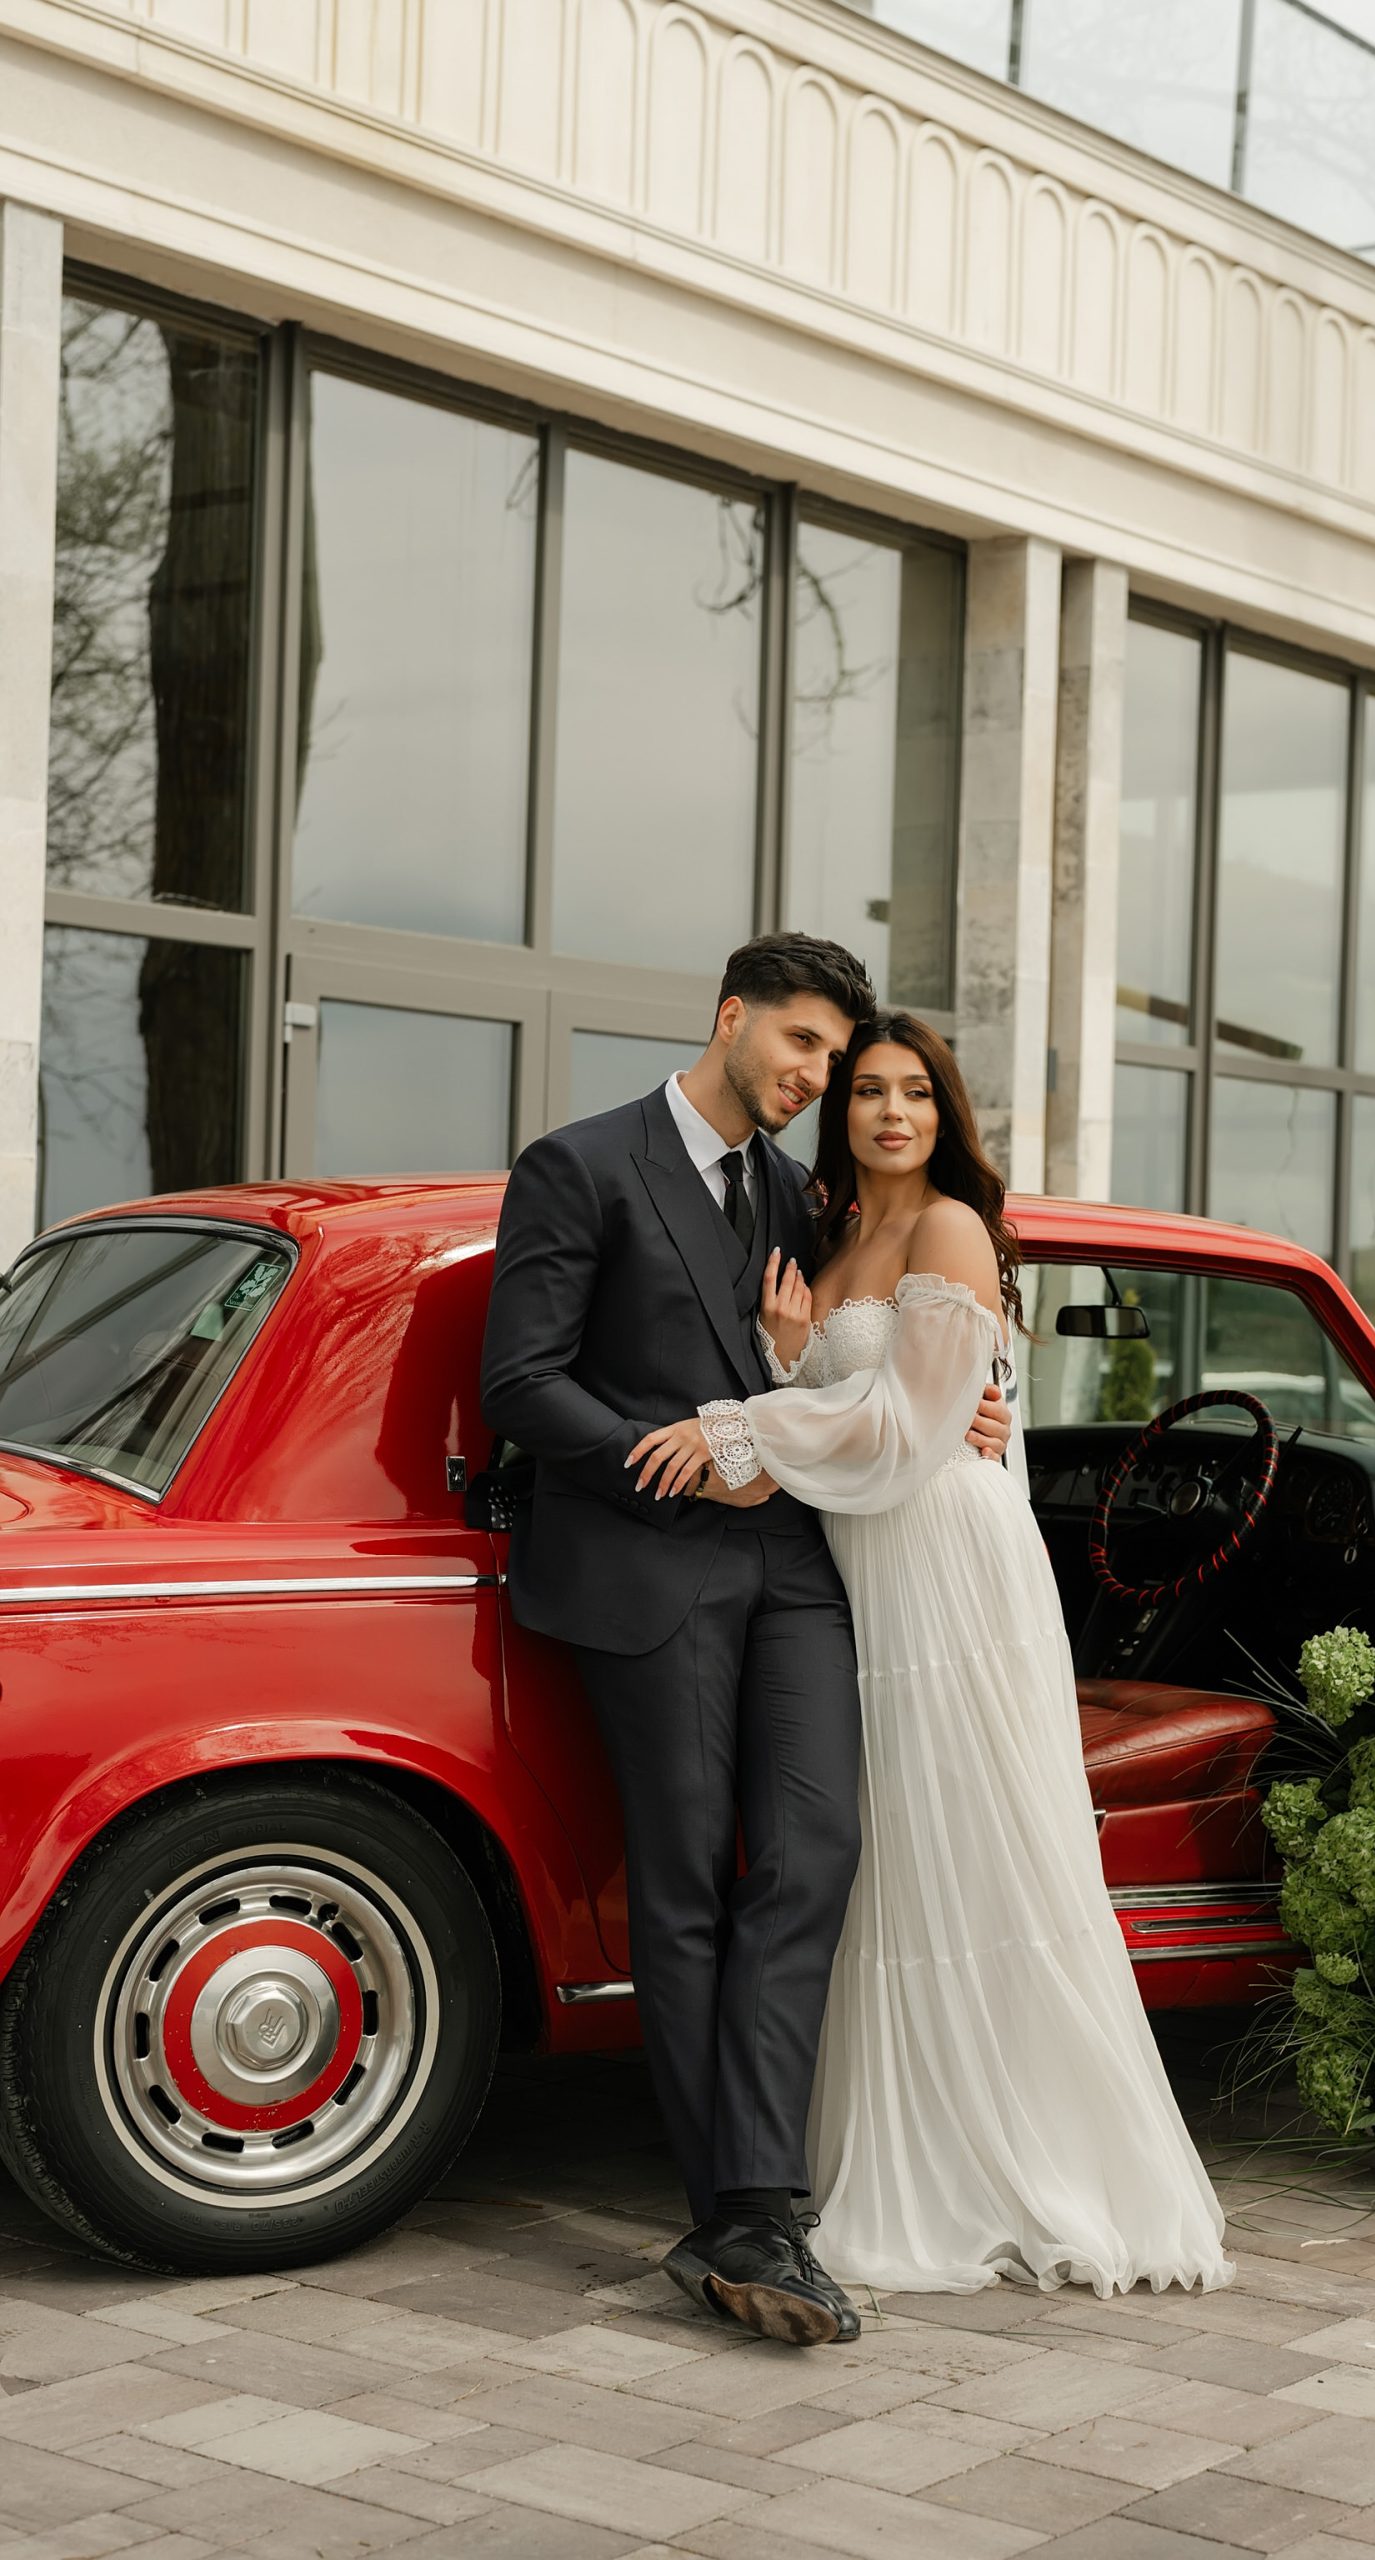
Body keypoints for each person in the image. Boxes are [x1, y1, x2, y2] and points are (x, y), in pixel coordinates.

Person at [629, 1011, 1235, 2300]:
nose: (891, 1112)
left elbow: (917, 1418)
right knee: (891, 1853)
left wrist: (747, 1426)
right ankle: (901, 2145)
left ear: (944, 1113)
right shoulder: (829, 1236)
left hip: (948, 1558)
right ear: (840, 1111)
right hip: (861, 1561)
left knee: (972, 1841)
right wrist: (789, 1362)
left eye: (915, 1092)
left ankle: (1010, 2155)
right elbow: (879, 1402)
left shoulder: (952, 1226)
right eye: (867, 1091)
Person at [479, 935, 1011, 2351]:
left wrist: (962, 1405)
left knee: (813, 1855)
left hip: (798, 1569)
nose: (818, 1077)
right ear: (731, 1018)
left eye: (835, 1058)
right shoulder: (581, 1165)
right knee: (686, 1882)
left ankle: (753, 2205)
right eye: (801, 1046)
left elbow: (870, 1369)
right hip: (646, 1568)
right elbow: (522, 1383)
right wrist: (674, 1464)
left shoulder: (800, 1198)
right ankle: (746, 2211)